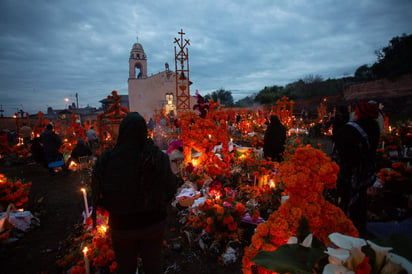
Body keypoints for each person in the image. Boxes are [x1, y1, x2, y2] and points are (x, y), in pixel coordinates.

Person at [91, 112, 177, 274]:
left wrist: (113, 206)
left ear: (122, 132)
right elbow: (171, 188)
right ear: (144, 131)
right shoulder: (157, 157)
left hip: (122, 225)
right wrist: (157, 202)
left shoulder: (107, 159)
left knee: (125, 268)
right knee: (153, 266)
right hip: (153, 223)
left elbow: (97, 191)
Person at [334, 102, 380, 233]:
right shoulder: (374, 127)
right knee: (361, 199)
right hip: (365, 170)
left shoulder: (351, 129)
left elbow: (340, 146)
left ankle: (346, 228)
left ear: (359, 113)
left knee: (347, 199)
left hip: (350, 171)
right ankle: (359, 225)